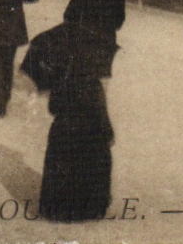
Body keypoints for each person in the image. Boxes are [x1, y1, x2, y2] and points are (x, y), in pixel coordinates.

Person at [23, 17, 116, 221]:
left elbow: (53, 106)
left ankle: (58, 209)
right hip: (91, 129)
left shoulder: (60, 81)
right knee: (91, 164)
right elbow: (100, 110)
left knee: (62, 165)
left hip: (64, 128)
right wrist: (108, 130)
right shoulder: (93, 85)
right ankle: (89, 209)